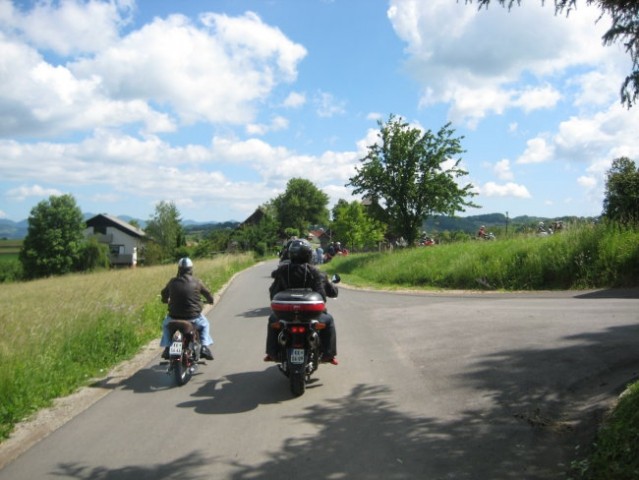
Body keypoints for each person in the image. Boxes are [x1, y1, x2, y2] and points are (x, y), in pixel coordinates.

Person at [265, 239, 339, 365]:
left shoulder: (282, 271)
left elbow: (273, 293)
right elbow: (324, 295)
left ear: (290, 254)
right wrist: (333, 288)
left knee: (273, 320)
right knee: (329, 320)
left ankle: (272, 353)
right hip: (311, 315)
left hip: (286, 315)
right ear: (309, 254)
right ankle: (328, 354)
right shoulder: (316, 272)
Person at [160, 257, 214, 360]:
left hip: (173, 318)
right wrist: (210, 300)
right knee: (205, 324)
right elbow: (207, 294)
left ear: (179, 269)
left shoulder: (172, 282)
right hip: (193, 317)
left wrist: (165, 299)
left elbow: (164, 293)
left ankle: (167, 348)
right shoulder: (197, 282)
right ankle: (204, 347)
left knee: (165, 325)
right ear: (191, 269)